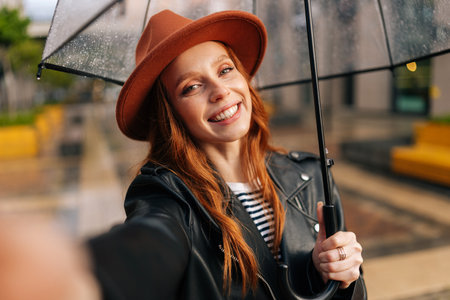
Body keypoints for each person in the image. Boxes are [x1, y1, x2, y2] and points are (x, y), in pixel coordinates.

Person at [87, 9, 367, 300]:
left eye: (225, 70)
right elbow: (149, 244)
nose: (220, 90)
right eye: (192, 87)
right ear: (171, 113)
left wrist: (336, 277)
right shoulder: (168, 197)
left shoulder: (312, 177)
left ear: (244, 79)